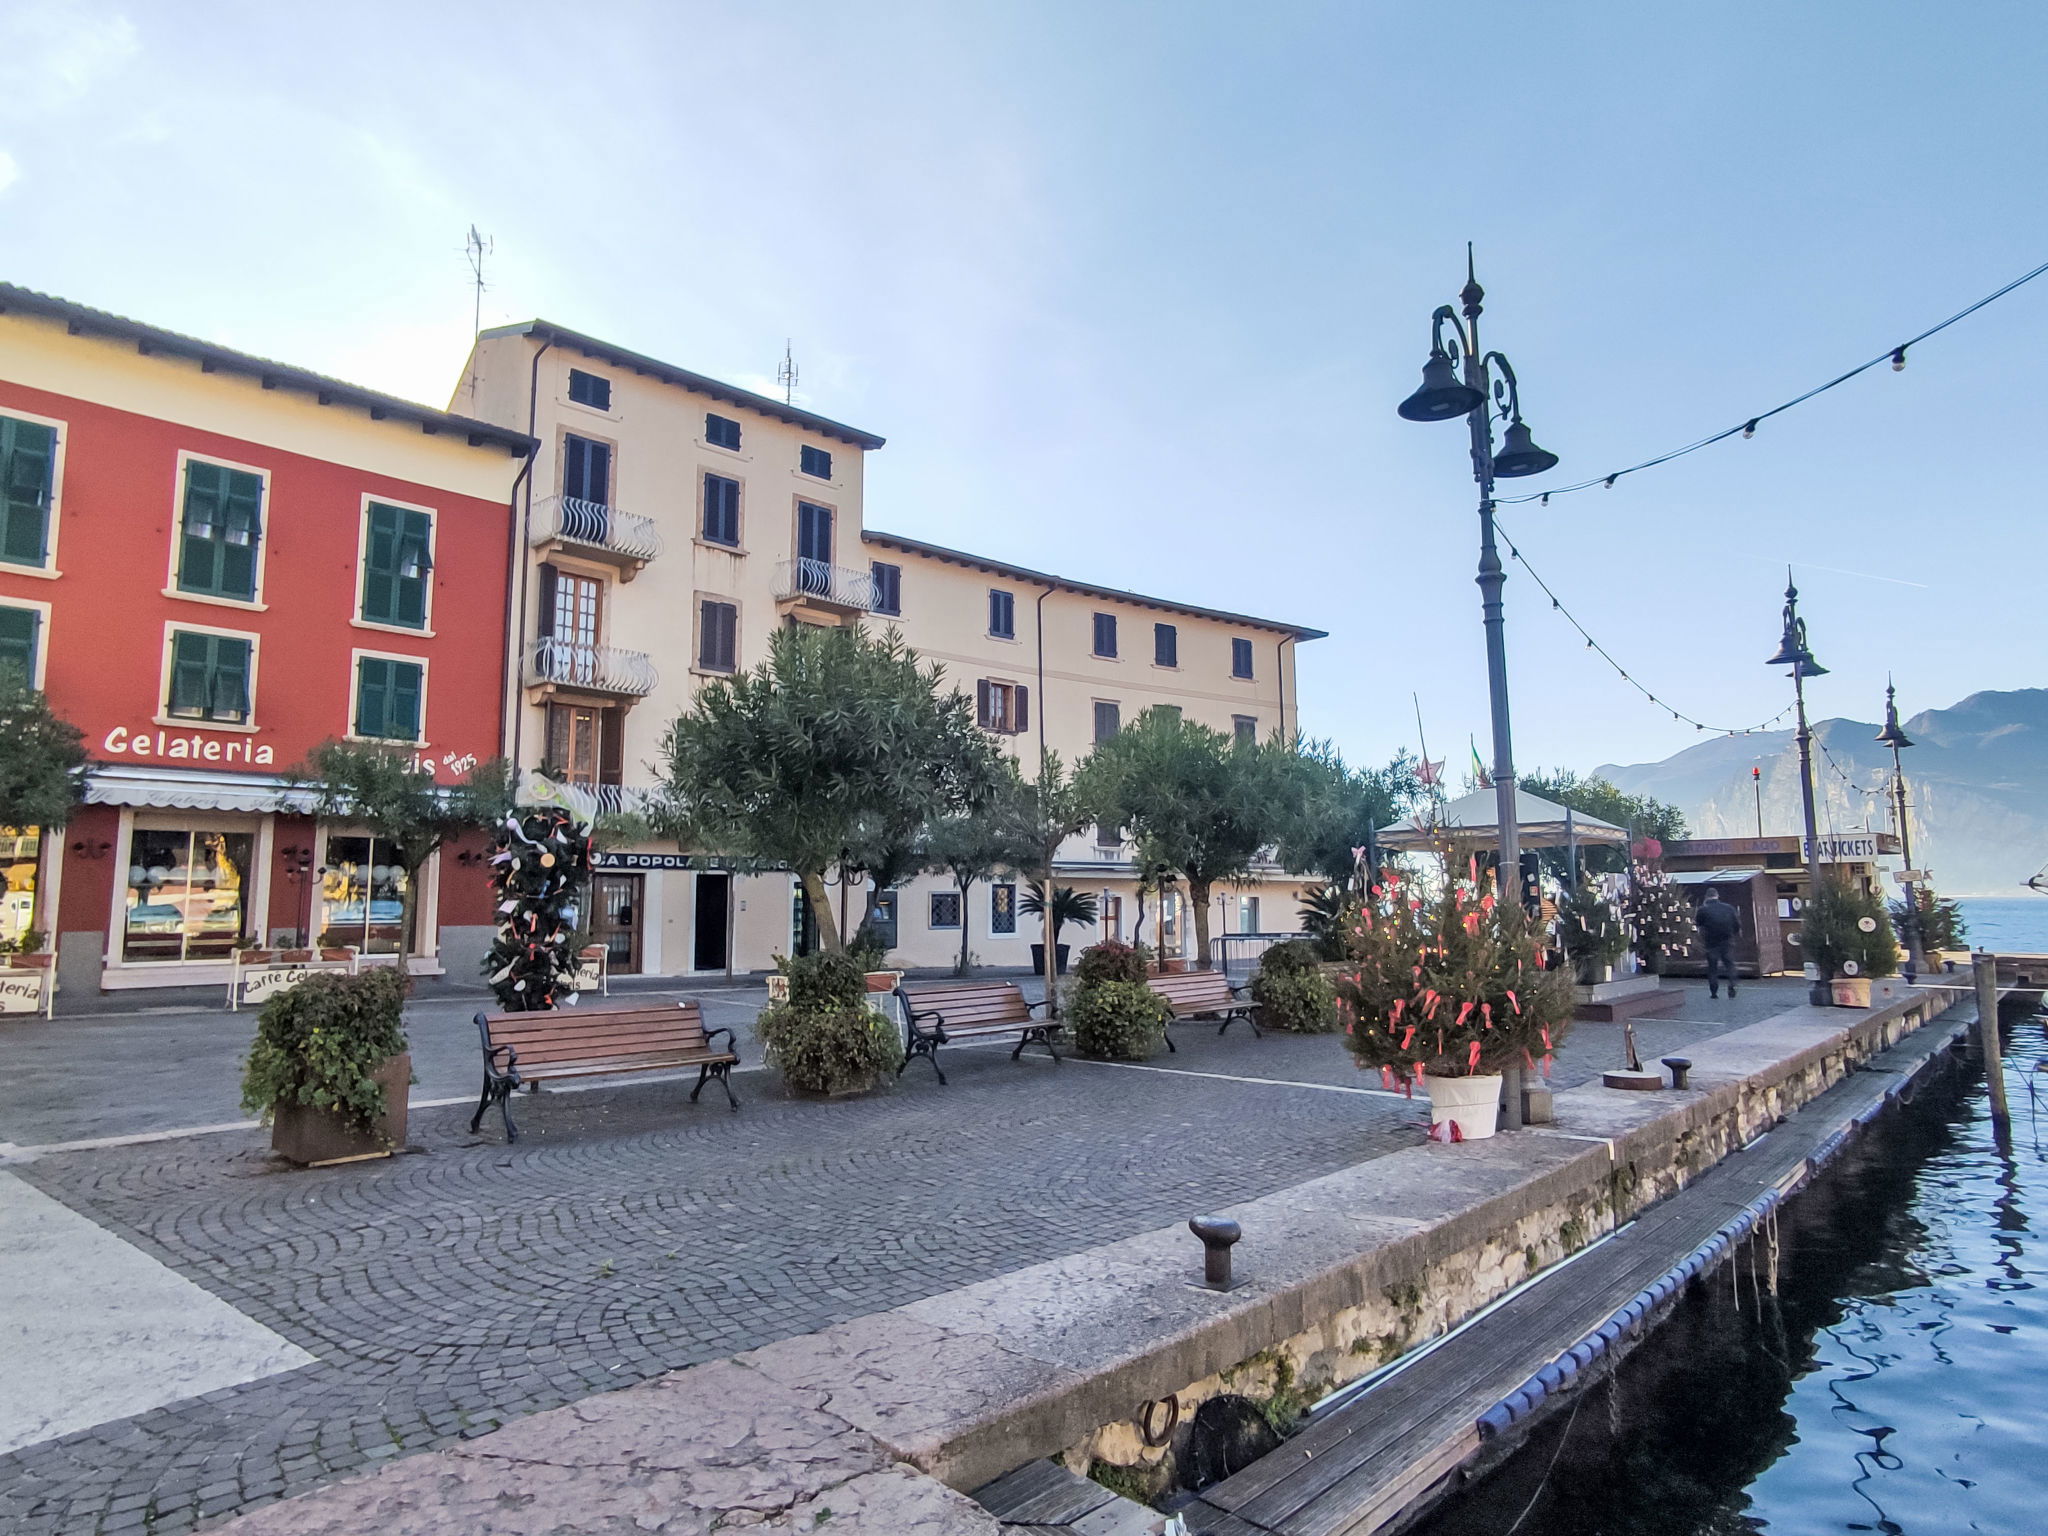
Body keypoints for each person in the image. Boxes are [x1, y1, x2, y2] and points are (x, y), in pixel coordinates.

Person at [1695, 887, 1741, 998]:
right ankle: (1732, 984)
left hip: (1711, 942)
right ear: (1717, 896)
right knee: (1729, 964)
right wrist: (1732, 934)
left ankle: (1714, 992)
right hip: (1727, 940)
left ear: (1706, 897)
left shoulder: (1703, 910)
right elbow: (1737, 925)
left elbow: (1698, 924)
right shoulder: (1729, 908)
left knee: (1712, 968)